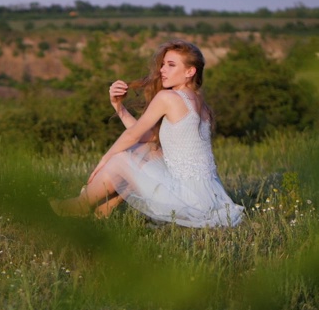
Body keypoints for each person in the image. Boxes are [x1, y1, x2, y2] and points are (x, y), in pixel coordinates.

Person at [50, 39, 244, 228]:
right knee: (147, 151)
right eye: (163, 64)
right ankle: (102, 211)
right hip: (207, 198)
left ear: (190, 71)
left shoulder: (168, 97)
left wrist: (104, 160)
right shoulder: (201, 105)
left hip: (184, 199)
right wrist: (119, 107)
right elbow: (147, 137)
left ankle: (81, 205)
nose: (162, 70)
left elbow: (132, 136)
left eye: (170, 65)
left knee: (121, 158)